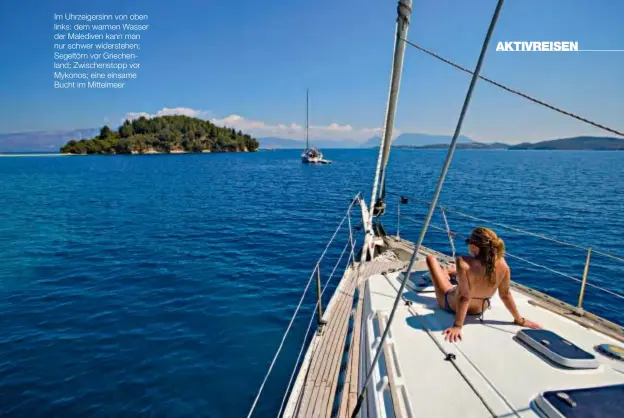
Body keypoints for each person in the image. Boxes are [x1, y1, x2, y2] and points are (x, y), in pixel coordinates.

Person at [425, 226, 541, 342]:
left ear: (474, 247)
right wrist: (519, 320)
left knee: (431, 259)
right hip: (479, 310)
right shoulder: (504, 265)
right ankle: (451, 273)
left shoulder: (463, 262)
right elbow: (505, 295)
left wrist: (458, 326)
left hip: (450, 304)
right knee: (467, 277)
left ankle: (446, 273)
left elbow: (465, 297)